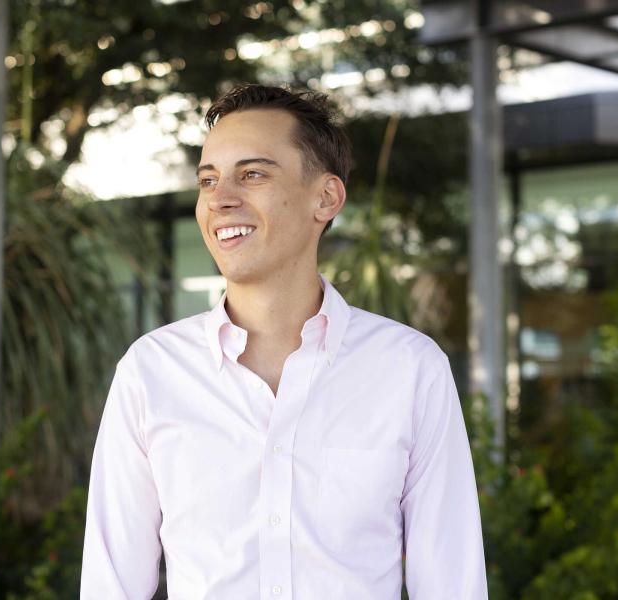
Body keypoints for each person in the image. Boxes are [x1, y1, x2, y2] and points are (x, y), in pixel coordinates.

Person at [80, 84, 487, 599]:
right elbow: (110, 585)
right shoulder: (151, 371)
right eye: (209, 180)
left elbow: (452, 581)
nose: (221, 199)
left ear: (326, 197)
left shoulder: (409, 368)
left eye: (252, 174)